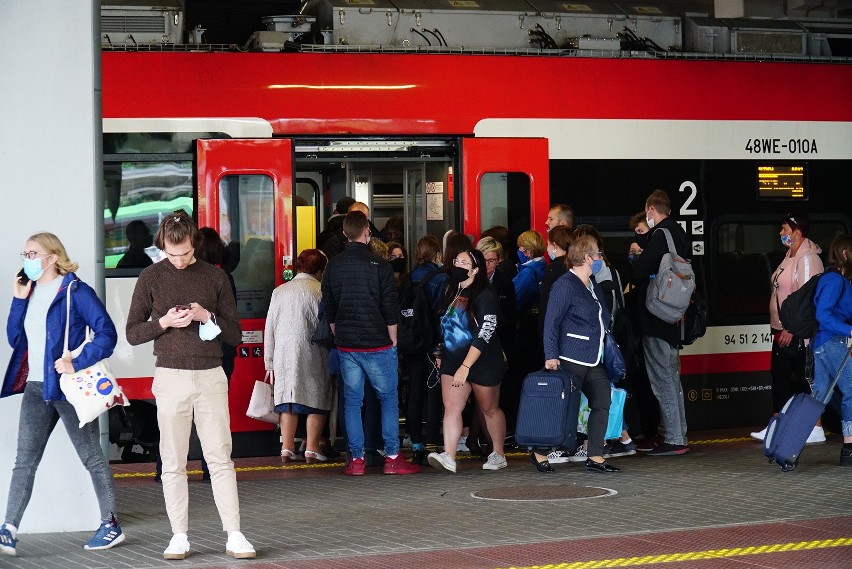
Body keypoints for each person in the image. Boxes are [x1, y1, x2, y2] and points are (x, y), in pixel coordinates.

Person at [126, 210, 255, 560]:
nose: (178, 260)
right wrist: (165, 321)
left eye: (184, 253)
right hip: (169, 375)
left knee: (220, 459)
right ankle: (179, 535)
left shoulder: (215, 278)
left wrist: (206, 316)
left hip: (211, 374)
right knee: (172, 461)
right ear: (162, 247)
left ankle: (235, 534)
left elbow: (234, 333)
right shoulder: (151, 276)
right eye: (171, 253)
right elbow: (132, 332)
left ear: (194, 244)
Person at [0, 232, 124, 555]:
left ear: (52, 258)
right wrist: (17, 298)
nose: (27, 259)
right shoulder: (28, 292)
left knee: (92, 458)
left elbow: (107, 333)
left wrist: (76, 361)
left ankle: (111, 524)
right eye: (24, 254)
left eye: (33, 254)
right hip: (36, 387)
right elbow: (16, 340)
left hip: (68, 389)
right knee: (24, 461)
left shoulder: (76, 292)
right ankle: (9, 529)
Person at [321, 210, 420, 476]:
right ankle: (392, 458)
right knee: (388, 399)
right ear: (367, 231)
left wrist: (337, 332)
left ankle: (356, 461)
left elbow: (328, 306)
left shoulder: (333, 265)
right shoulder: (381, 266)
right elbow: (390, 308)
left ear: (344, 234)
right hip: (378, 343)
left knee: (352, 401)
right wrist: (393, 340)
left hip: (347, 345)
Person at [540, 235, 620, 474]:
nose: (600, 259)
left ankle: (595, 457)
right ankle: (539, 451)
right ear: (587, 258)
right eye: (597, 255)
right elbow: (551, 322)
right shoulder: (565, 284)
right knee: (565, 409)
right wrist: (551, 354)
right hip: (570, 357)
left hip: (593, 357)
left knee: (603, 400)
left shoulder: (592, 284)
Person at [427, 247, 508, 474]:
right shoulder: (449, 290)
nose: (457, 266)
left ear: (475, 269)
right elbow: (444, 325)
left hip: (483, 360)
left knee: (489, 408)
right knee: (451, 407)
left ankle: (498, 453)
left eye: (463, 263)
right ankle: (449, 455)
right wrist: (440, 353)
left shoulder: (485, 295)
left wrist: (466, 366)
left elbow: (485, 332)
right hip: (453, 359)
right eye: (456, 261)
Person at [751, 213, 826, 444]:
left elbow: (804, 298)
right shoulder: (789, 255)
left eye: (785, 229)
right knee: (781, 378)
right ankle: (776, 427)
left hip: (796, 332)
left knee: (804, 379)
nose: (781, 234)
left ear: (797, 231)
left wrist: (791, 329)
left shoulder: (807, 259)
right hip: (782, 328)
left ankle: (816, 427)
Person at [630, 190, 691, 457]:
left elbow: (639, 271)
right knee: (672, 378)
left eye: (647, 214)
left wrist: (636, 255)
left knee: (662, 379)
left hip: (656, 316)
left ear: (651, 210)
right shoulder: (679, 233)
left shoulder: (660, 235)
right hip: (673, 314)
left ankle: (675, 438)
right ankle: (677, 433)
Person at [265, 249, 333, 463]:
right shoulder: (321, 290)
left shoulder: (280, 291)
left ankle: (286, 448)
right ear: (321, 271)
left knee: (289, 400)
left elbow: (270, 328)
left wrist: (269, 362)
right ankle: (312, 449)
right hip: (314, 352)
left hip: (284, 354)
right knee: (317, 398)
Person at [812, 234, 852, 466]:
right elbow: (823, 314)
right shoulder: (835, 280)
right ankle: (849, 446)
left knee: (819, 396)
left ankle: (789, 442)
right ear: (845, 253)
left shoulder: (836, 280)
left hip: (824, 343)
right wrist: (849, 331)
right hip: (831, 341)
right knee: (851, 390)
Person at [513, 230, 547, 316]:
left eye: (520, 248)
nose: (518, 251)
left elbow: (514, 300)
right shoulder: (542, 266)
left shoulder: (528, 272)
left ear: (528, 251)